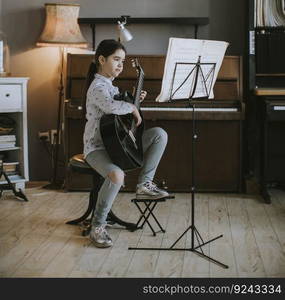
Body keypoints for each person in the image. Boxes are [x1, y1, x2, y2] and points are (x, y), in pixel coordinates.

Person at [83, 39, 169, 248]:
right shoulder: (97, 87)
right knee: (117, 175)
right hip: (97, 149)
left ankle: (144, 184)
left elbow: (118, 118)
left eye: (123, 61)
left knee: (159, 134)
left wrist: (133, 100)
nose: (120, 65)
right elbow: (112, 107)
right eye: (116, 59)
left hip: (117, 144)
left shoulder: (110, 86)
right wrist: (130, 107)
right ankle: (98, 226)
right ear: (101, 60)